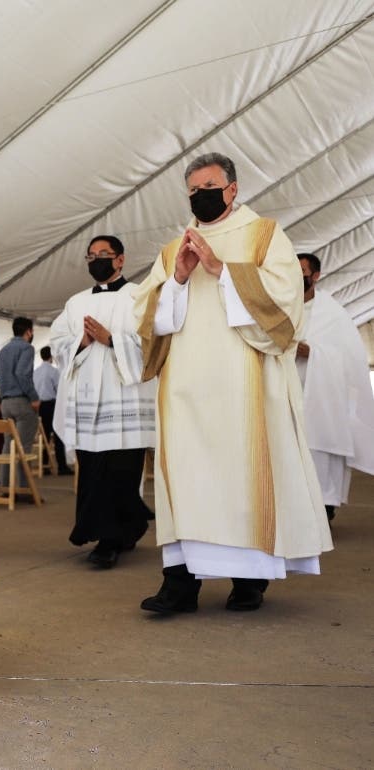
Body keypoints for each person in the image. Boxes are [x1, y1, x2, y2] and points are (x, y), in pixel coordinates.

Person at [134, 152, 331, 614]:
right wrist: (179, 278)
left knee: (243, 482)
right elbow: (146, 317)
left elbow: (285, 308)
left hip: (246, 391)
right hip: (185, 394)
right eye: (193, 190)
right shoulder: (173, 249)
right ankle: (179, 586)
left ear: (233, 188)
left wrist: (225, 271)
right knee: (186, 482)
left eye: (210, 186)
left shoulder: (264, 236)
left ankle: (248, 582)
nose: (201, 195)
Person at [50, 236, 155, 568]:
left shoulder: (139, 296)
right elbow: (57, 342)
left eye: (103, 255)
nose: (97, 260)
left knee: (121, 471)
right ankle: (121, 529)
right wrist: (80, 342)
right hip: (87, 402)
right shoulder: (75, 303)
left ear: (120, 260)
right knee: (94, 471)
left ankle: (112, 539)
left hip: (125, 401)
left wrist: (112, 340)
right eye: (91, 256)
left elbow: (154, 343)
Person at [295, 253, 374, 522]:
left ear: (315, 276)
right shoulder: (282, 307)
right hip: (288, 396)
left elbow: (348, 358)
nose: (296, 277)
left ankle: (323, 509)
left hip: (322, 398)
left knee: (320, 453)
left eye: (301, 271)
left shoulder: (331, 313)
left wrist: (312, 352)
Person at [0, 317, 40, 485]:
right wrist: (34, 397)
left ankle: (6, 485)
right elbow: (22, 374)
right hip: (21, 401)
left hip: (5, 403)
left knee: (8, 445)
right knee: (24, 447)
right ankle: (24, 488)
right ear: (28, 331)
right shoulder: (27, 348)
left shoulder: (2, 351)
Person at [32, 346, 72, 476]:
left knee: (44, 436)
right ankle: (61, 466)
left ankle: (44, 466)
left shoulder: (36, 371)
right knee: (58, 436)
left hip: (40, 406)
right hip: (52, 405)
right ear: (51, 356)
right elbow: (59, 389)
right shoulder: (54, 371)